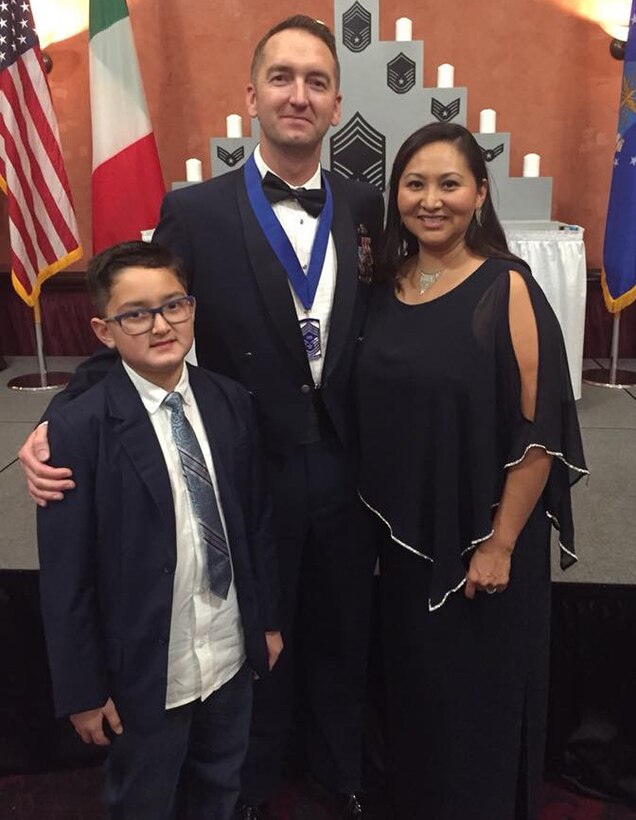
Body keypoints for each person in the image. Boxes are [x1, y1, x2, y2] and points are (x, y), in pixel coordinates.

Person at [19, 16, 384, 820]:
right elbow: (145, 321)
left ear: (336, 102)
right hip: (247, 467)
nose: (299, 95)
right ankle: (248, 788)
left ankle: (339, 774)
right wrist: (65, 407)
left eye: (316, 81)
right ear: (251, 94)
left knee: (343, 627)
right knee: (258, 633)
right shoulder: (195, 208)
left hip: (351, 465)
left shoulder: (364, 201)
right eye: (283, 78)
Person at [355, 123, 588, 820]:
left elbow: (538, 429)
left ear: (480, 194)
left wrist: (500, 543)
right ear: (396, 193)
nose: (431, 200)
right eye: (415, 183)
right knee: (415, 702)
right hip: (402, 545)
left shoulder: (507, 286)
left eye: (449, 184)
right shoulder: (383, 285)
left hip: (483, 549)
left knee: (475, 711)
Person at [36, 241, 282, 820]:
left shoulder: (230, 403)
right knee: (144, 798)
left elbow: (256, 524)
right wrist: (82, 689)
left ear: (192, 309)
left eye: (174, 305)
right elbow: (65, 577)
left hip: (226, 650)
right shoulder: (78, 429)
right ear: (103, 329)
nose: (161, 325)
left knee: (221, 786)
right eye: (136, 314)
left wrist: (266, 620)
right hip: (145, 670)